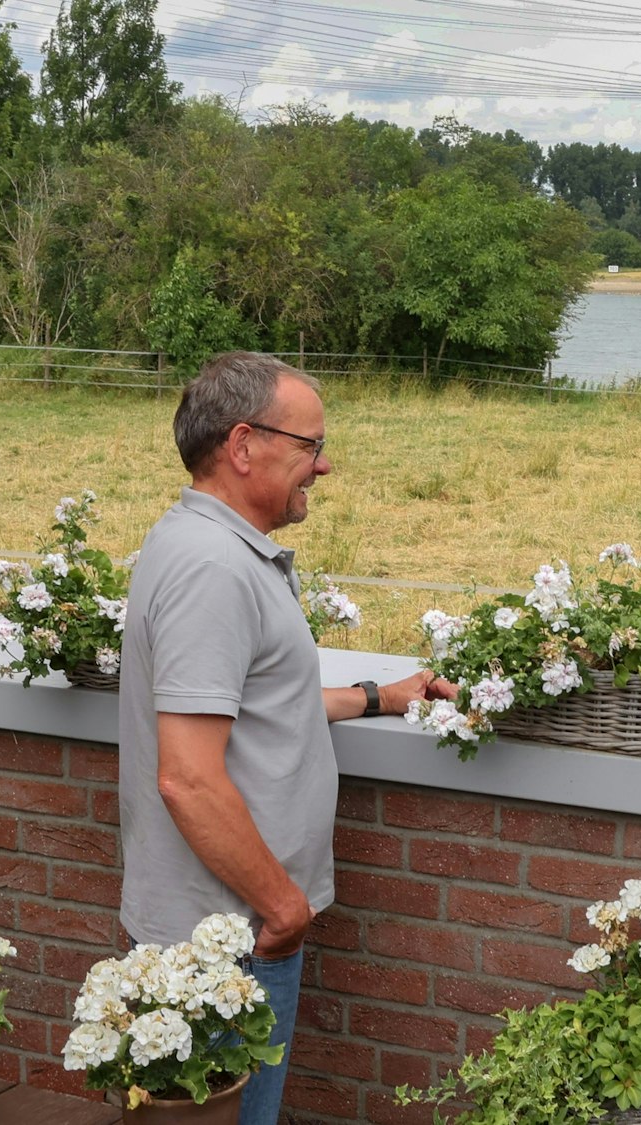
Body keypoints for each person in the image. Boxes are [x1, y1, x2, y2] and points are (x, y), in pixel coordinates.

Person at [119, 352, 455, 1123]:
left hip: (225, 927)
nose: (324, 465)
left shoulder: (207, 545)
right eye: (310, 445)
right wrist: (281, 909)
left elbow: (254, 702)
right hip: (228, 938)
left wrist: (379, 696)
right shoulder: (214, 569)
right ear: (243, 445)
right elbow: (189, 777)